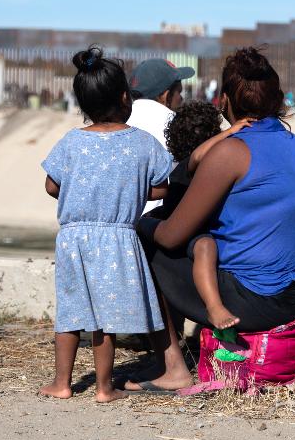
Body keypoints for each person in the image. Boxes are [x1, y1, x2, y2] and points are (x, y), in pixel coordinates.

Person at [128, 47, 295, 393]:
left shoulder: (230, 151)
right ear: (278, 99)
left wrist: (143, 225)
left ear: (224, 102)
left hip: (258, 301)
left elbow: (172, 237)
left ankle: (173, 367)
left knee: (149, 230)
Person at [38, 47, 174, 402]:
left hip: (73, 237)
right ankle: (103, 388)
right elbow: (163, 184)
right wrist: (132, 190)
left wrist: (81, 198)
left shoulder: (71, 141)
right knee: (106, 314)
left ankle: (62, 384)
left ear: (83, 102)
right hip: (118, 238)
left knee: (71, 310)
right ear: (125, 97)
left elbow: (52, 185)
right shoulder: (142, 143)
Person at [161, 100, 256, 330]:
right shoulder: (188, 165)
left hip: (195, 229)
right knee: (206, 247)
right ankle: (214, 307)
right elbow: (197, 155)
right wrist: (230, 132)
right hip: (180, 231)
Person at [127, 58, 195, 213]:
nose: (182, 98)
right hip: (159, 223)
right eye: (179, 91)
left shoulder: (119, 121)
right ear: (165, 95)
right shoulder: (177, 124)